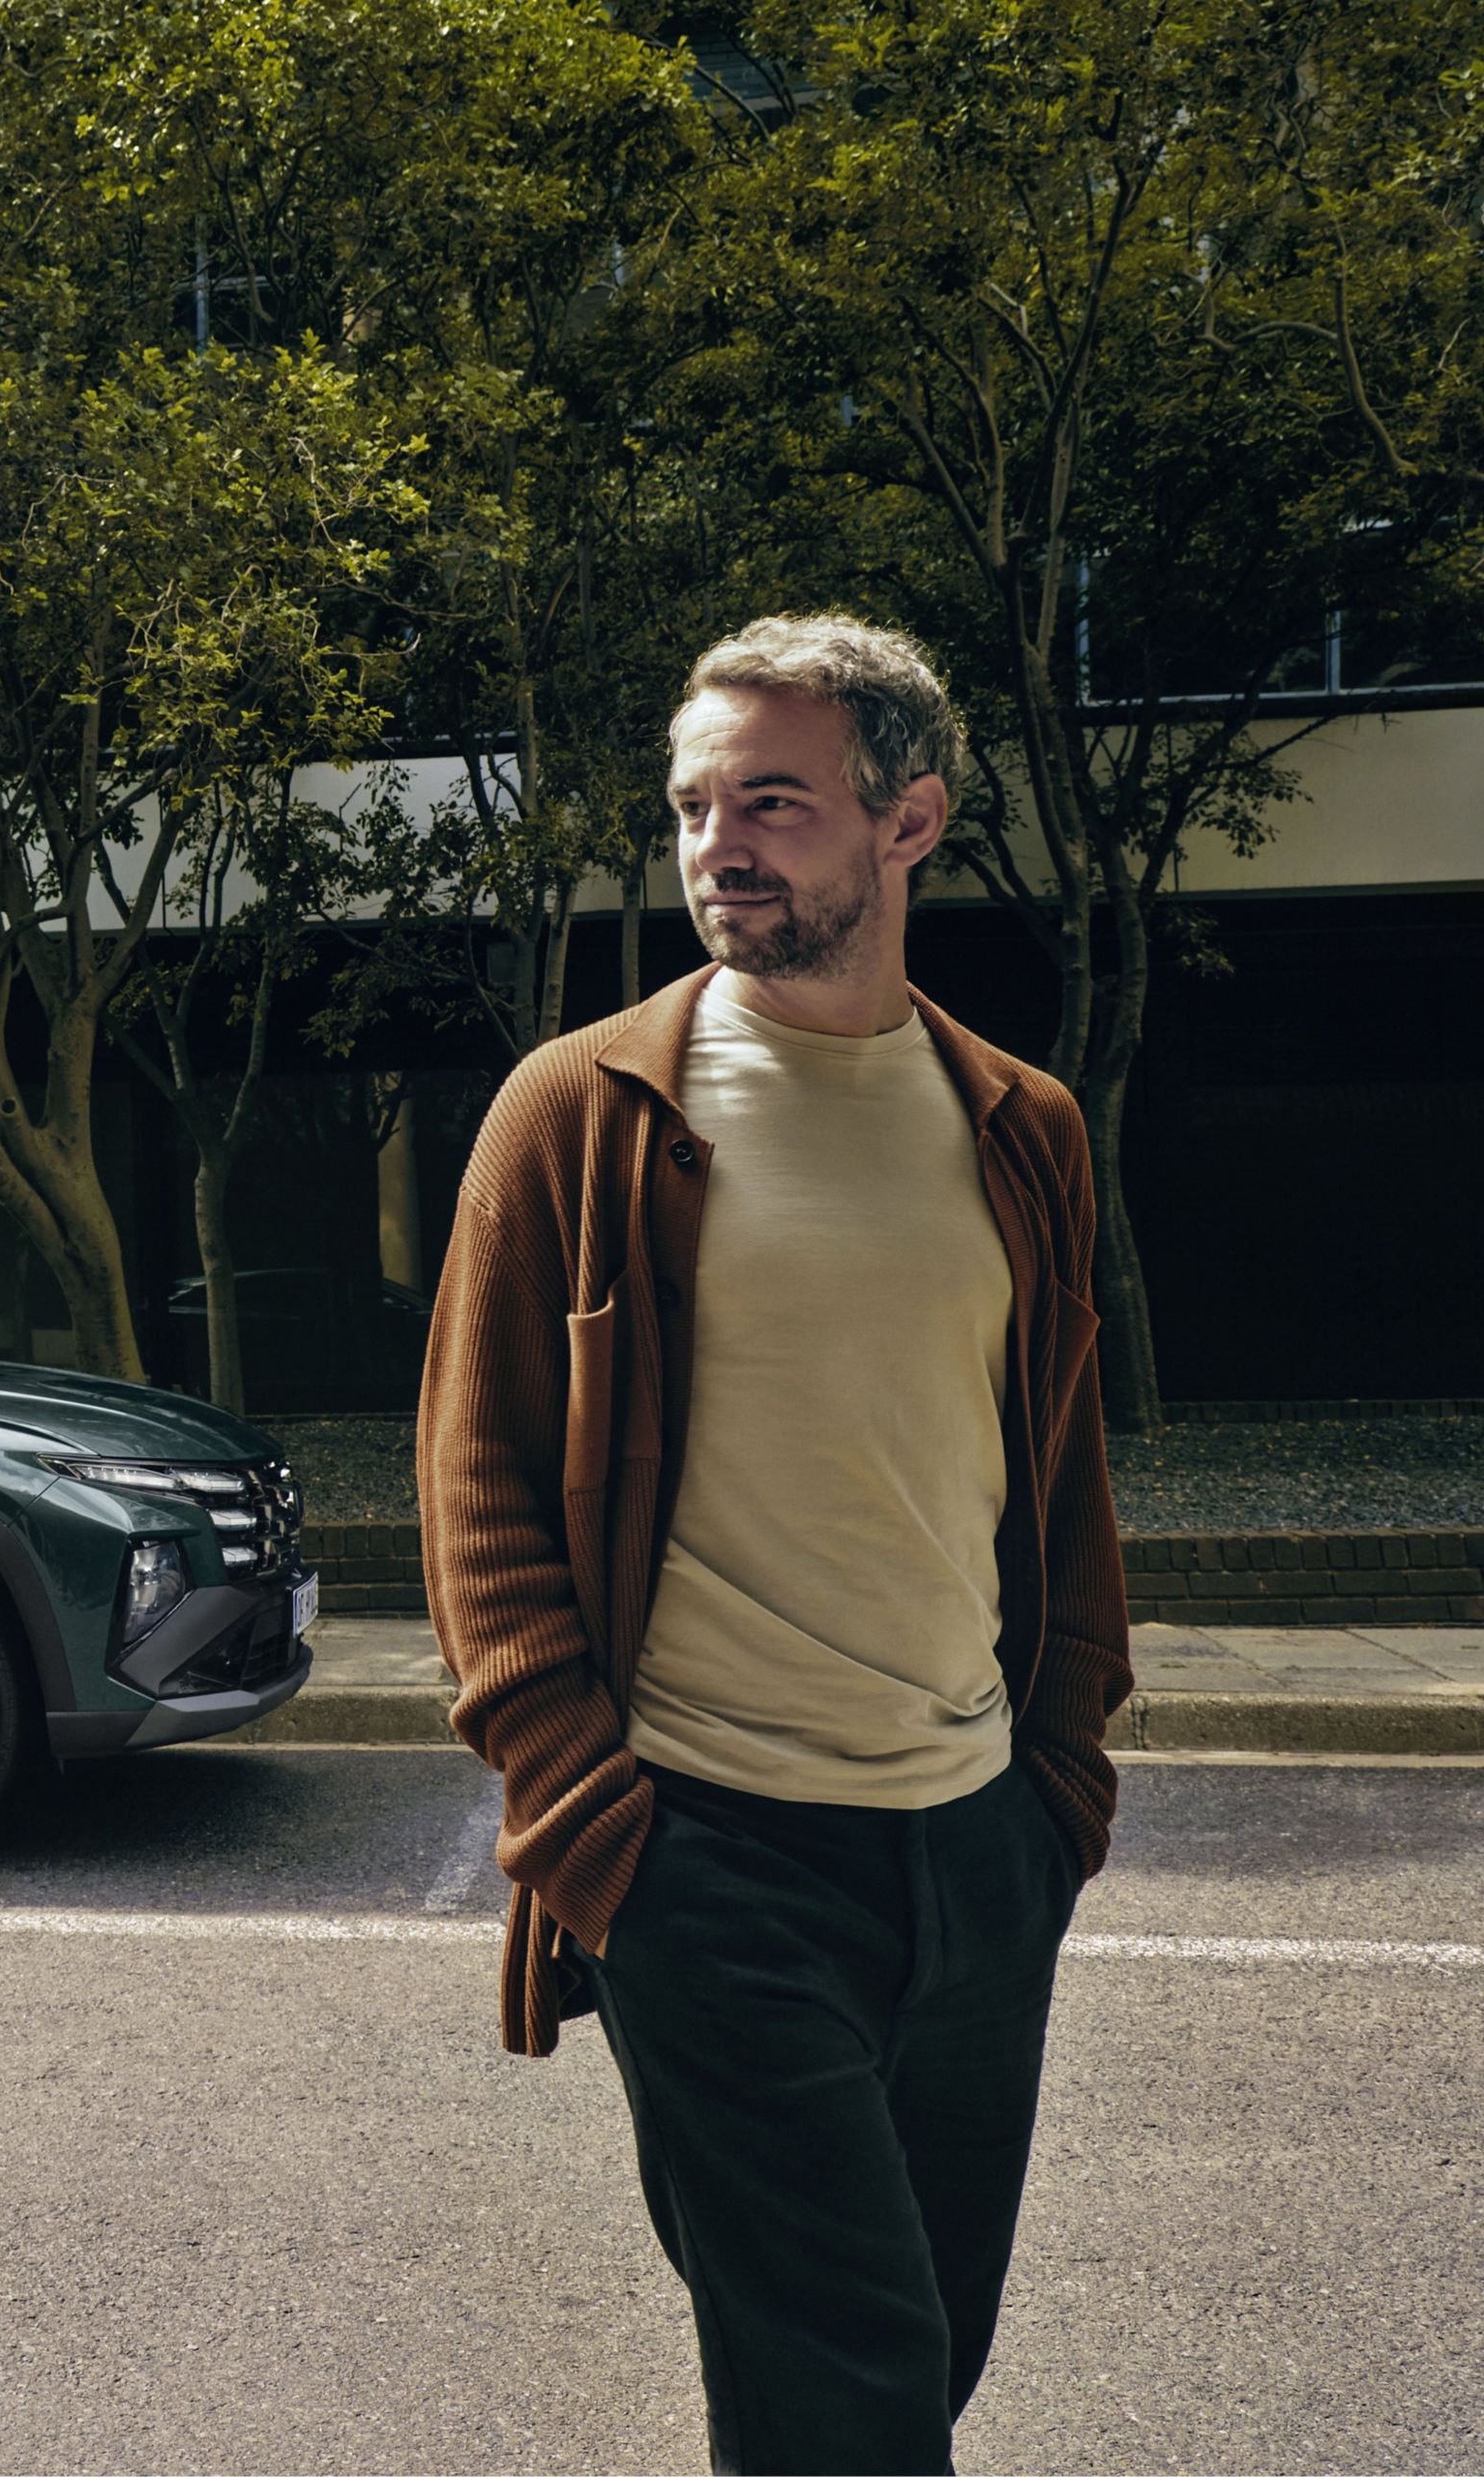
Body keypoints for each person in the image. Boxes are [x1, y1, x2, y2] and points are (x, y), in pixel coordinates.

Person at [415, 612, 1133, 2475]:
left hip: (977, 1848)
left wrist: (1058, 1792)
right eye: (693, 805)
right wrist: (595, 1832)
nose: (717, 843)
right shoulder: (582, 1116)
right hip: (709, 1853)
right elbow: (476, 1492)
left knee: (918, 2351)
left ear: (909, 822)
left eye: (774, 801)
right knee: (851, 2377)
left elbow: (1053, 1475)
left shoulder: (1019, 1126)